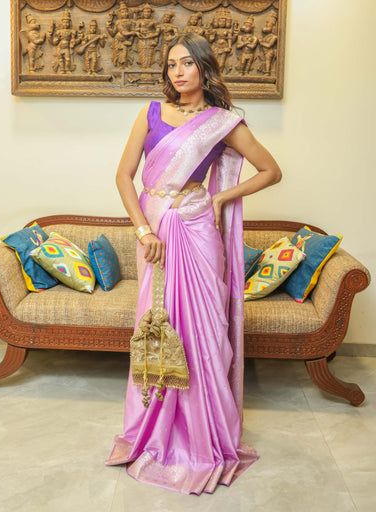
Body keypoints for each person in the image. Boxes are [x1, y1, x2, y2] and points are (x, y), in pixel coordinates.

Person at [106, 32, 281, 495]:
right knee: (156, 322)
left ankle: (204, 433)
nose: (177, 71)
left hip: (197, 227)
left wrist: (221, 197)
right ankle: (153, 428)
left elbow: (271, 170)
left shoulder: (223, 122)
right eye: (171, 64)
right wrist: (143, 230)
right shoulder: (150, 112)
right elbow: (124, 176)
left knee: (202, 327)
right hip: (155, 229)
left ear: (204, 67)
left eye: (186, 62)